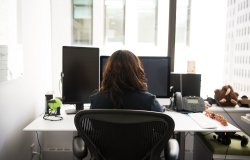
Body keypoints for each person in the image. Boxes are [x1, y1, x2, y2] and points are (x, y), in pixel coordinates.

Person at [90, 49, 164, 112]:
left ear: (108, 72)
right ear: (137, 72)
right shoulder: (149, 102)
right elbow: (164, 127)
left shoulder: (96, 101)